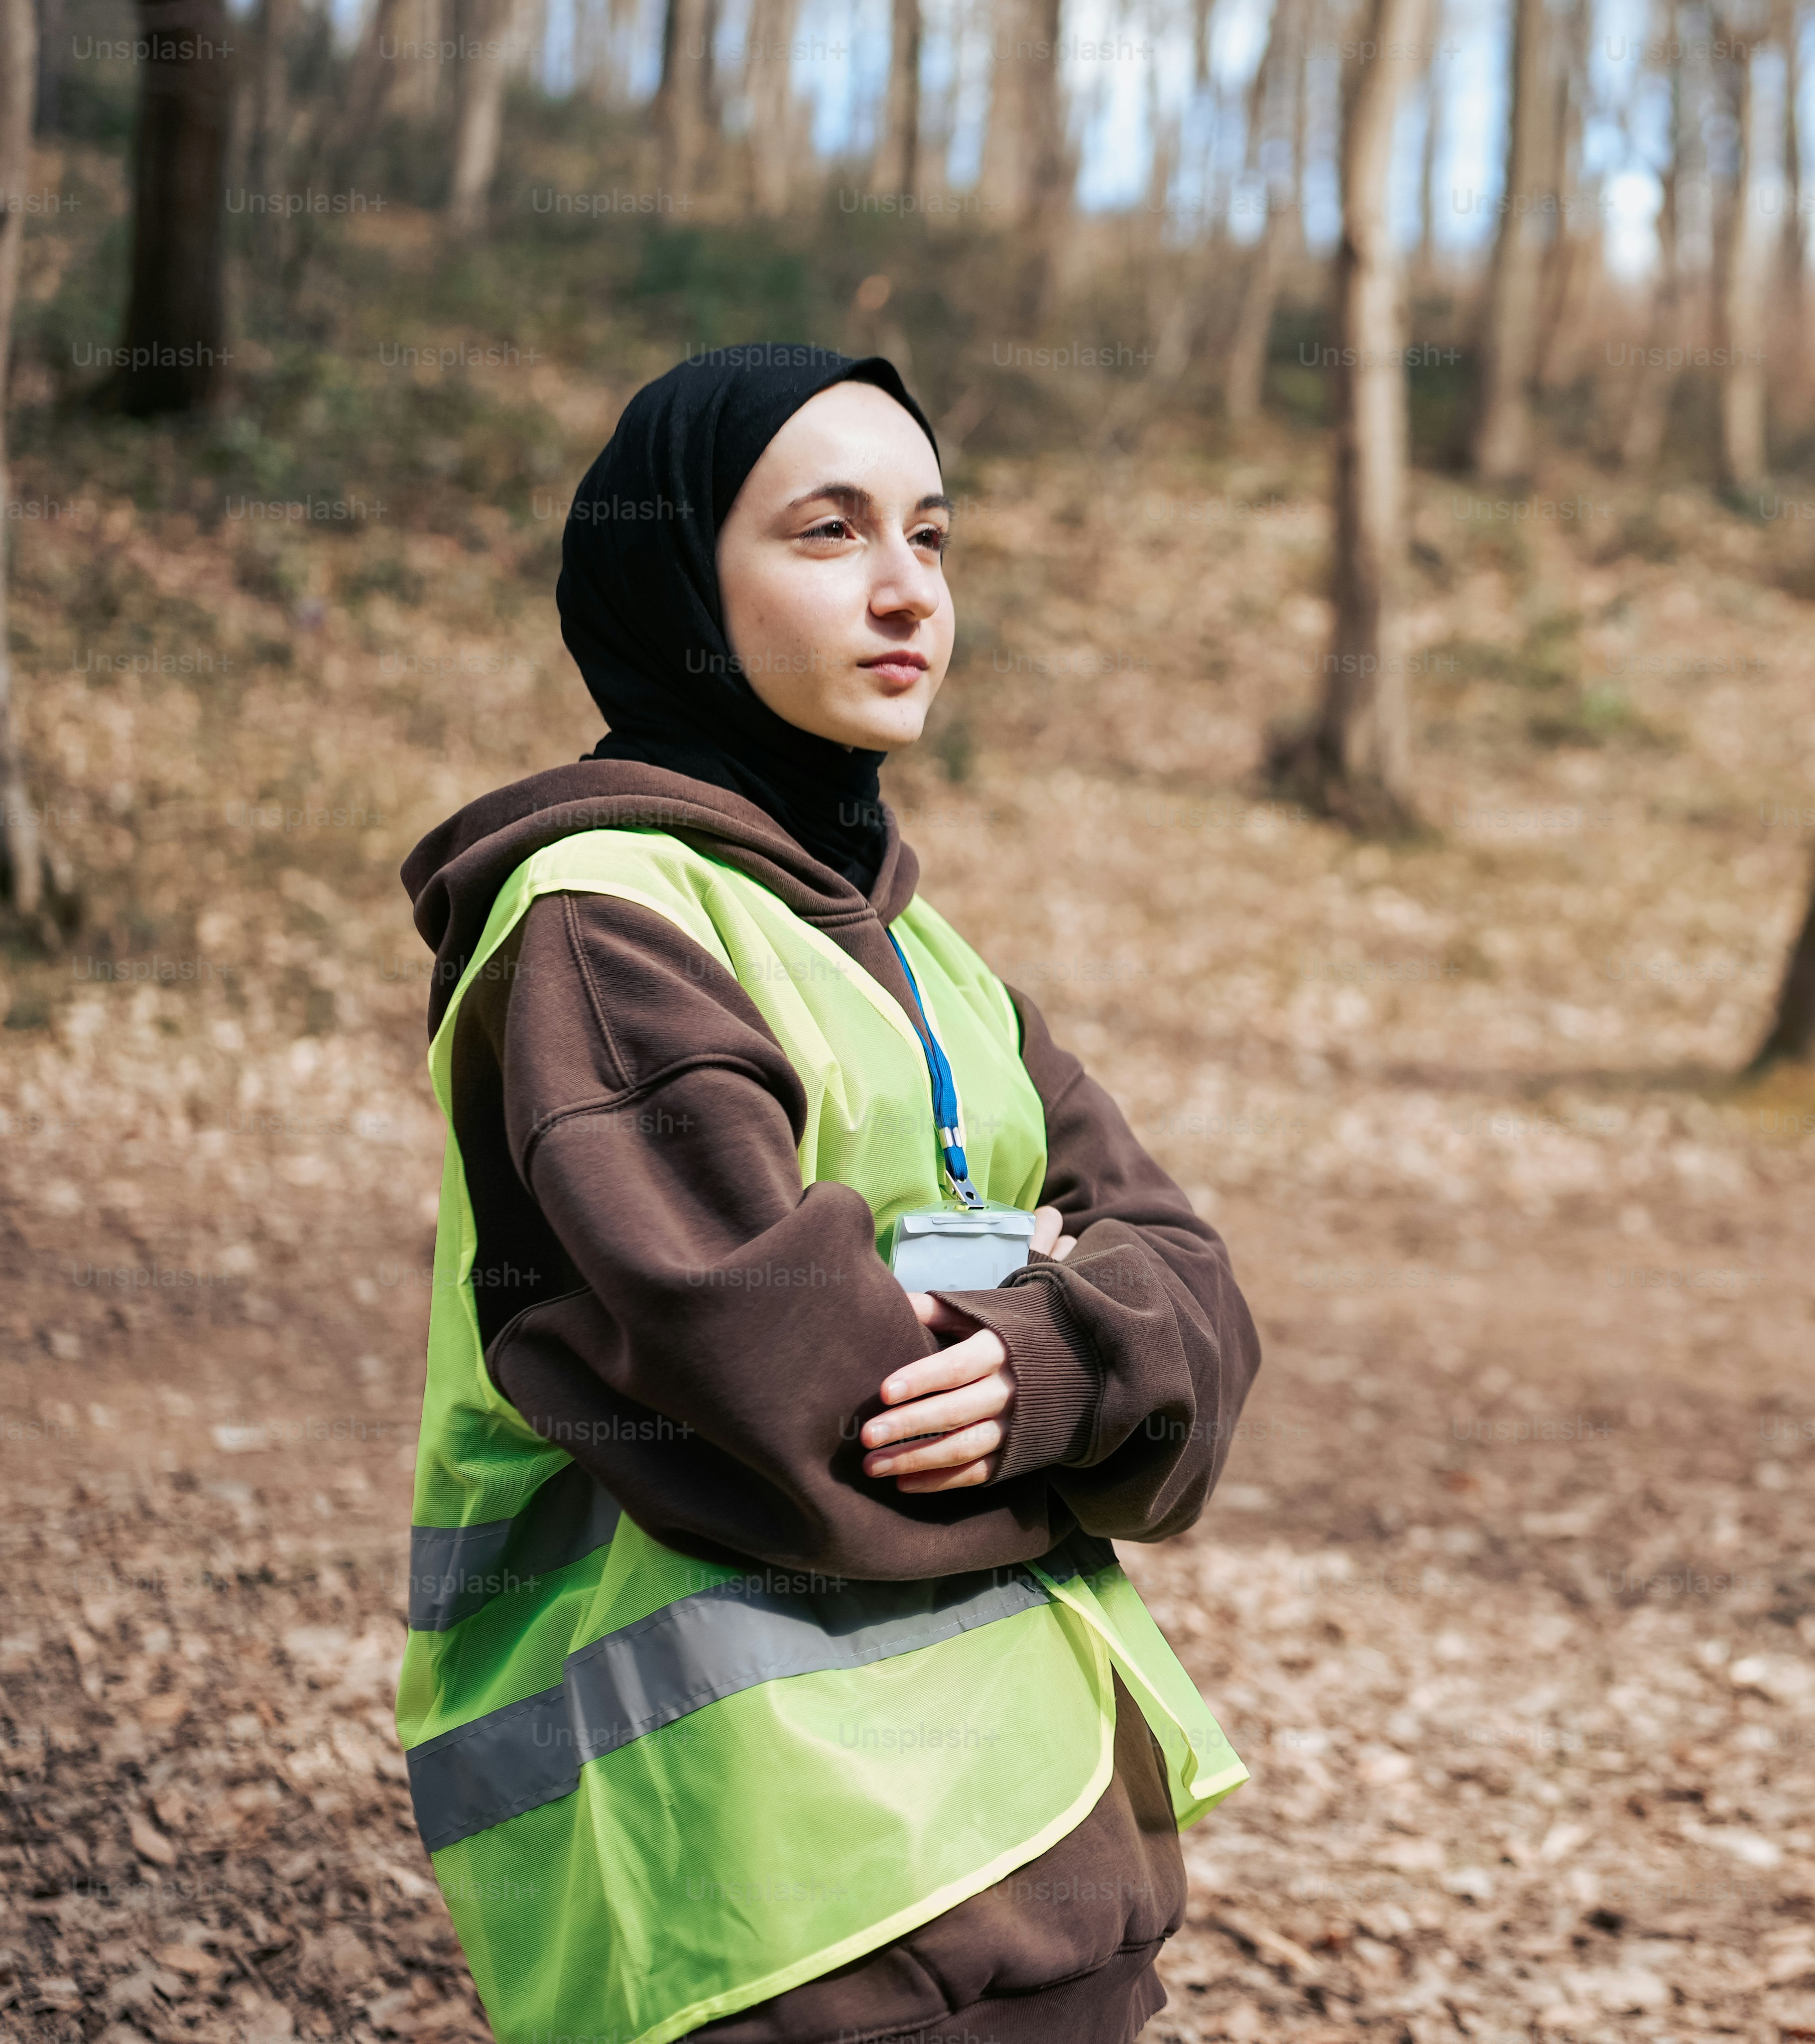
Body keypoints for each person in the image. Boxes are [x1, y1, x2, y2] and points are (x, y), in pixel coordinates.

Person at [394, 344, 1257, 2044]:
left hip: (1038, 1861)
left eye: (931, 537)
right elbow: (788, 1393)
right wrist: (1091, 1404)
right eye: (825, 531)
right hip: (768, 1899)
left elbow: (1196, 1290)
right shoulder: (601, 917)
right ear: (678, 583)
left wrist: (1043, 1374)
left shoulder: (921, 948)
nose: (903, 589)